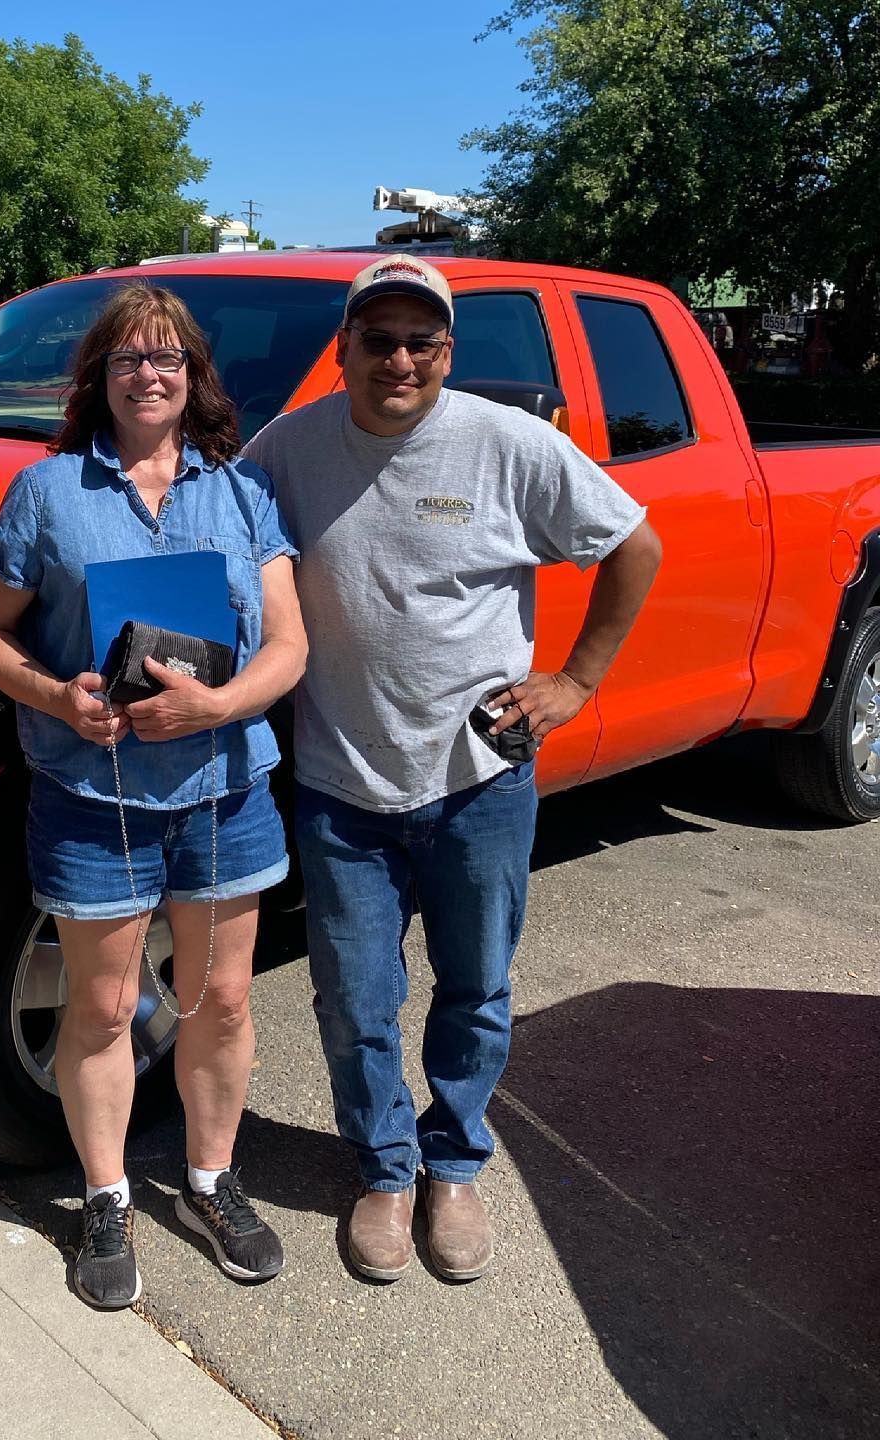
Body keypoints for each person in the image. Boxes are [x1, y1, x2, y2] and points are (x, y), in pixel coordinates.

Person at [243, 256, 661, 1282]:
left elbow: (635, 546)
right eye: (377, 339)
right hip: (343, 785)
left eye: (420, 341)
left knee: (475, 986)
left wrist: (577, 681)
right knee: (353, 997)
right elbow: (214, 540)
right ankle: (385, 1170)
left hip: (479, 779)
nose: (398, 358)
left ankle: (455, 1160)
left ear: (447, 353)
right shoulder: (286, 449)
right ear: (341, 351)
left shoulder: (508, 444)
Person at [0, 283, 308, 1309]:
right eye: (127, 359)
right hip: (92, 795)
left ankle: (210, 1181)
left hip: (223, 793)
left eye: (166, 358)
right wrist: (58, 698)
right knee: (107, 1006)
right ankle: (107, 1196)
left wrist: (218, 705)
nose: (148, 375)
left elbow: (289, 646)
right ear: (99, 380)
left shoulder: (244, 497)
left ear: (194, 376)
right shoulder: (49, 492)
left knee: (220, 999)